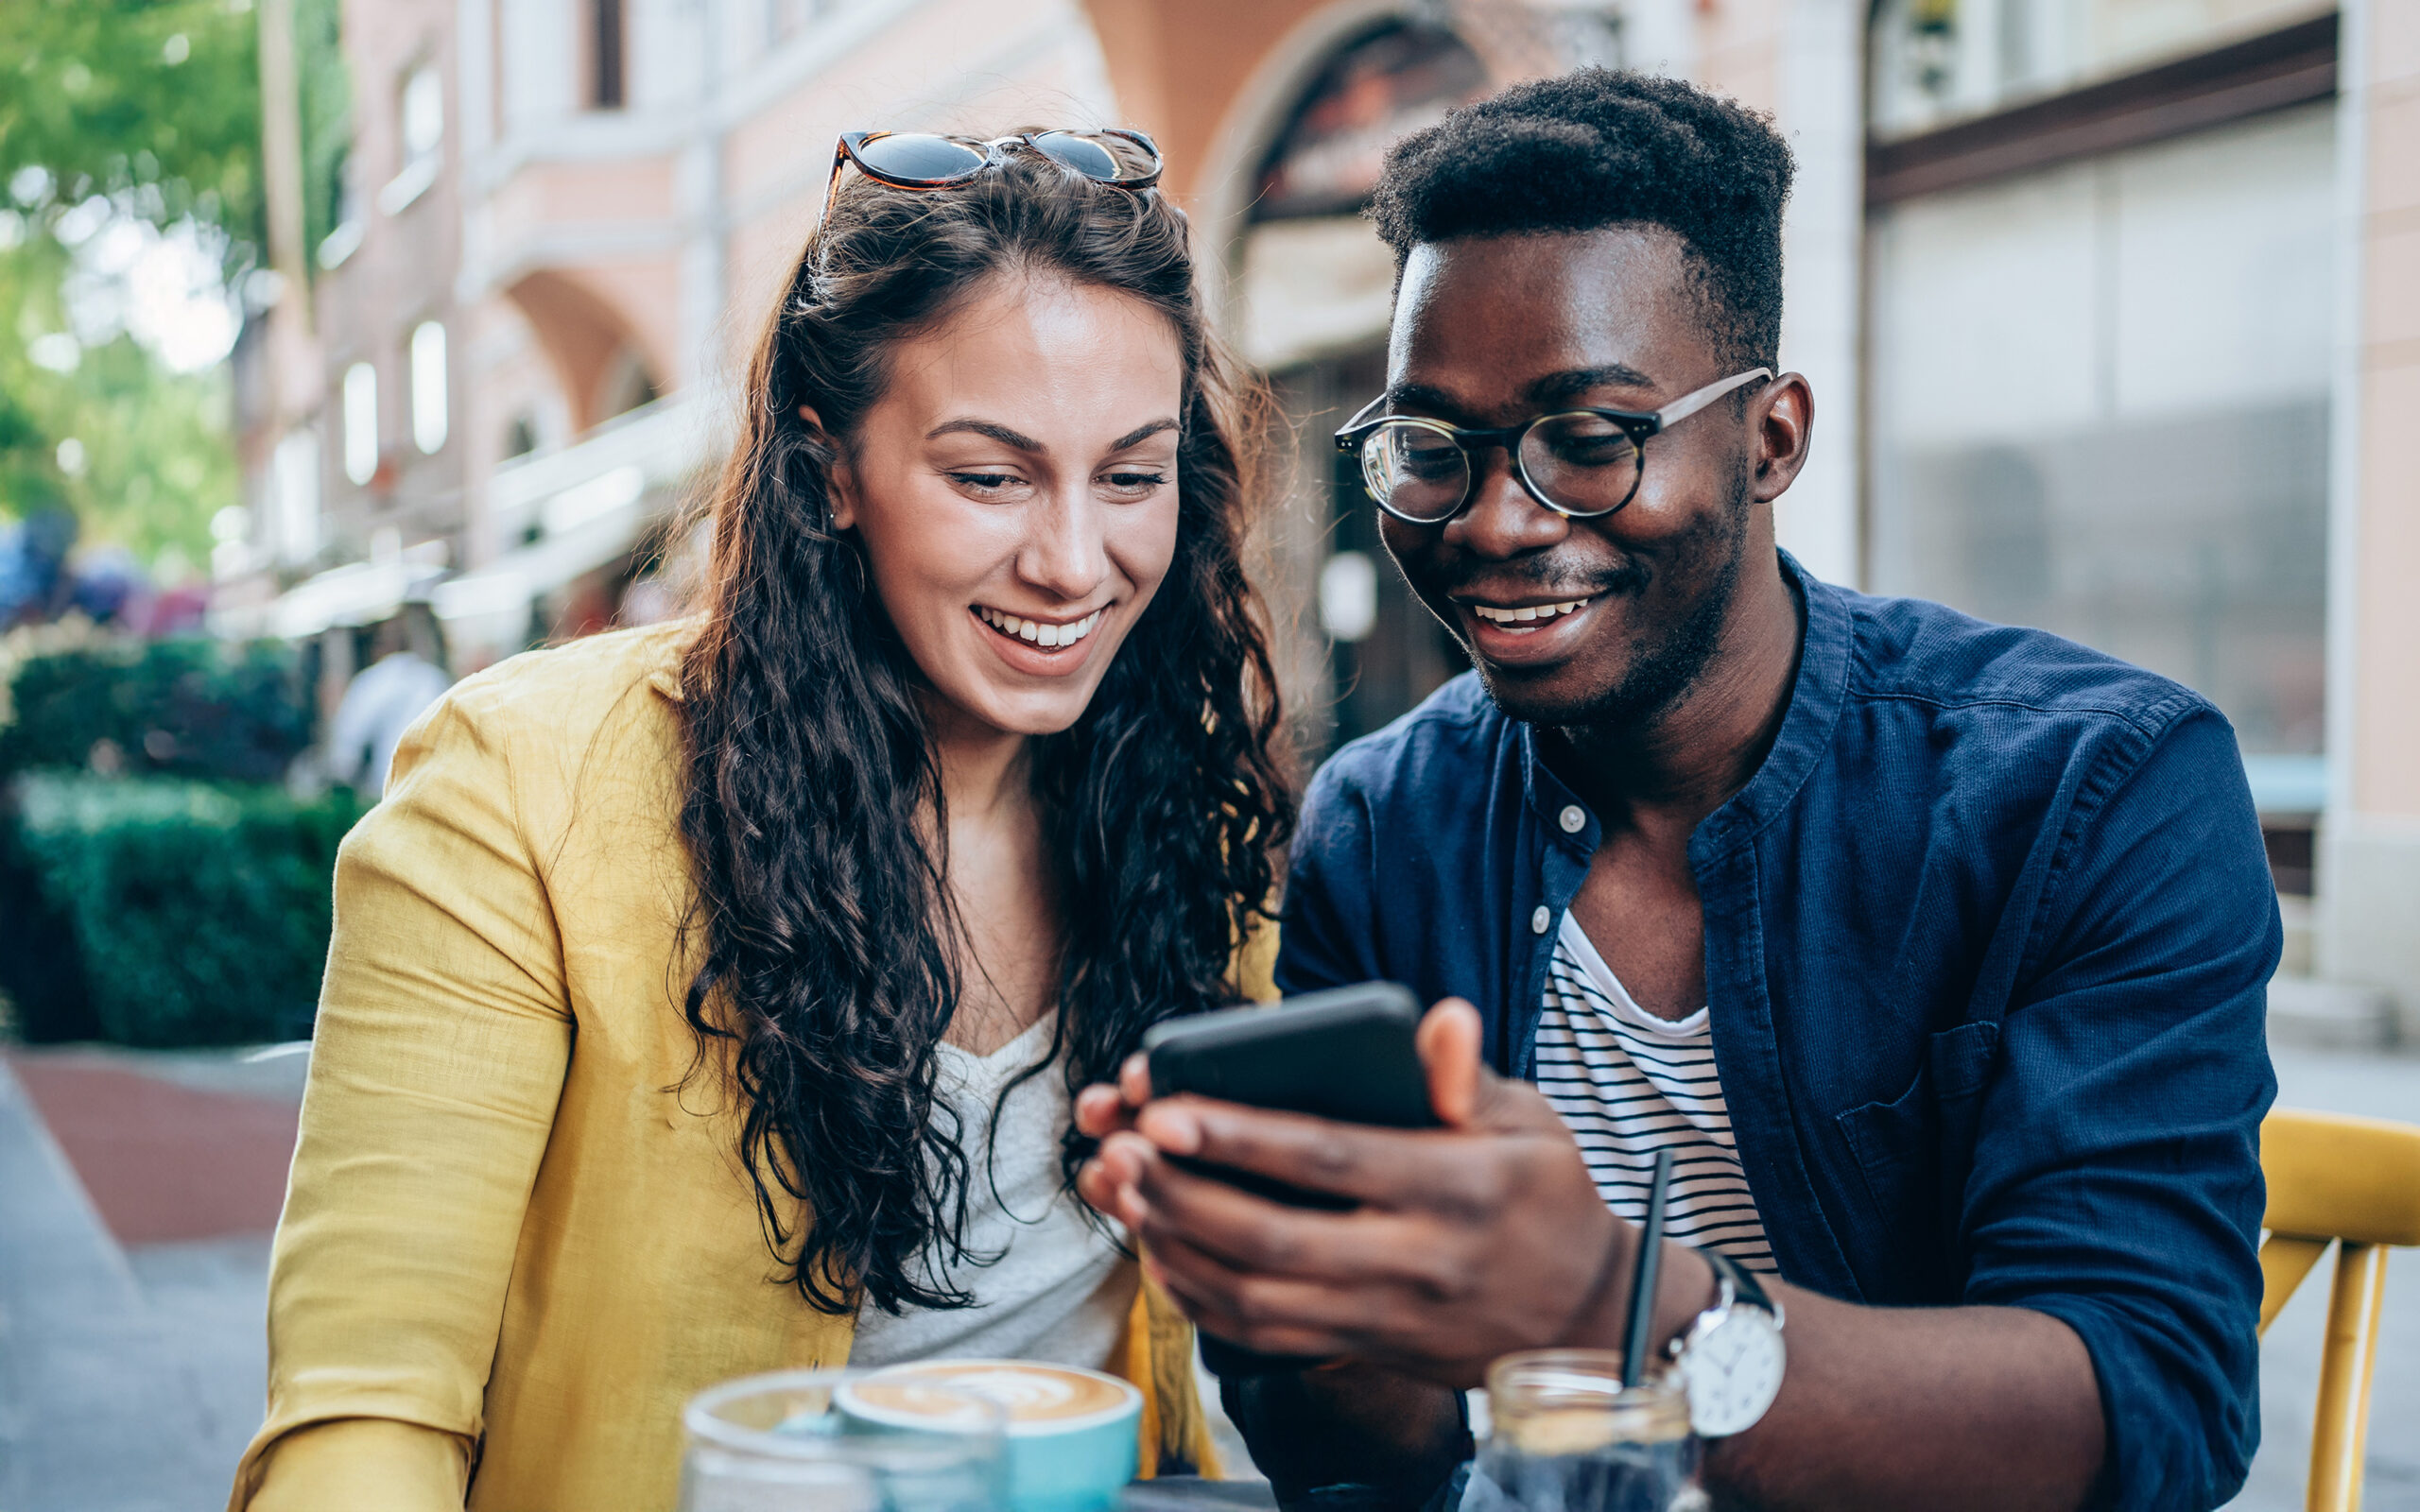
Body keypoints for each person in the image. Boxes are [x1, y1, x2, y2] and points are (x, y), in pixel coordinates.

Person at [1077, 70, 2275, 1512]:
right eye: (1431, 452)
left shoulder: (2096, 788)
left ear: (1770, 439)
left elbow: (2148, 1411)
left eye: (1590, 441)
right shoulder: (1386, 824)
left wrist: (1607, 1294)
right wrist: (1310, 1308)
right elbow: (1371, 1468)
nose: (1497, 523)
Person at [231, 128, 1294, 1512]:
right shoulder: (515, 789)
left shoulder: (1194, 811)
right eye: (989, 476)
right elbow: (366, 1412)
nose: (1075, 561)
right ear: (829, 467)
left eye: (1133, 476)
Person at [323, 609, 454, 794]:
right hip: (432, 784)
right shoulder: (436, 679)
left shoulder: (371, 681)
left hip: (385, 785)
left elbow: (348, 743)